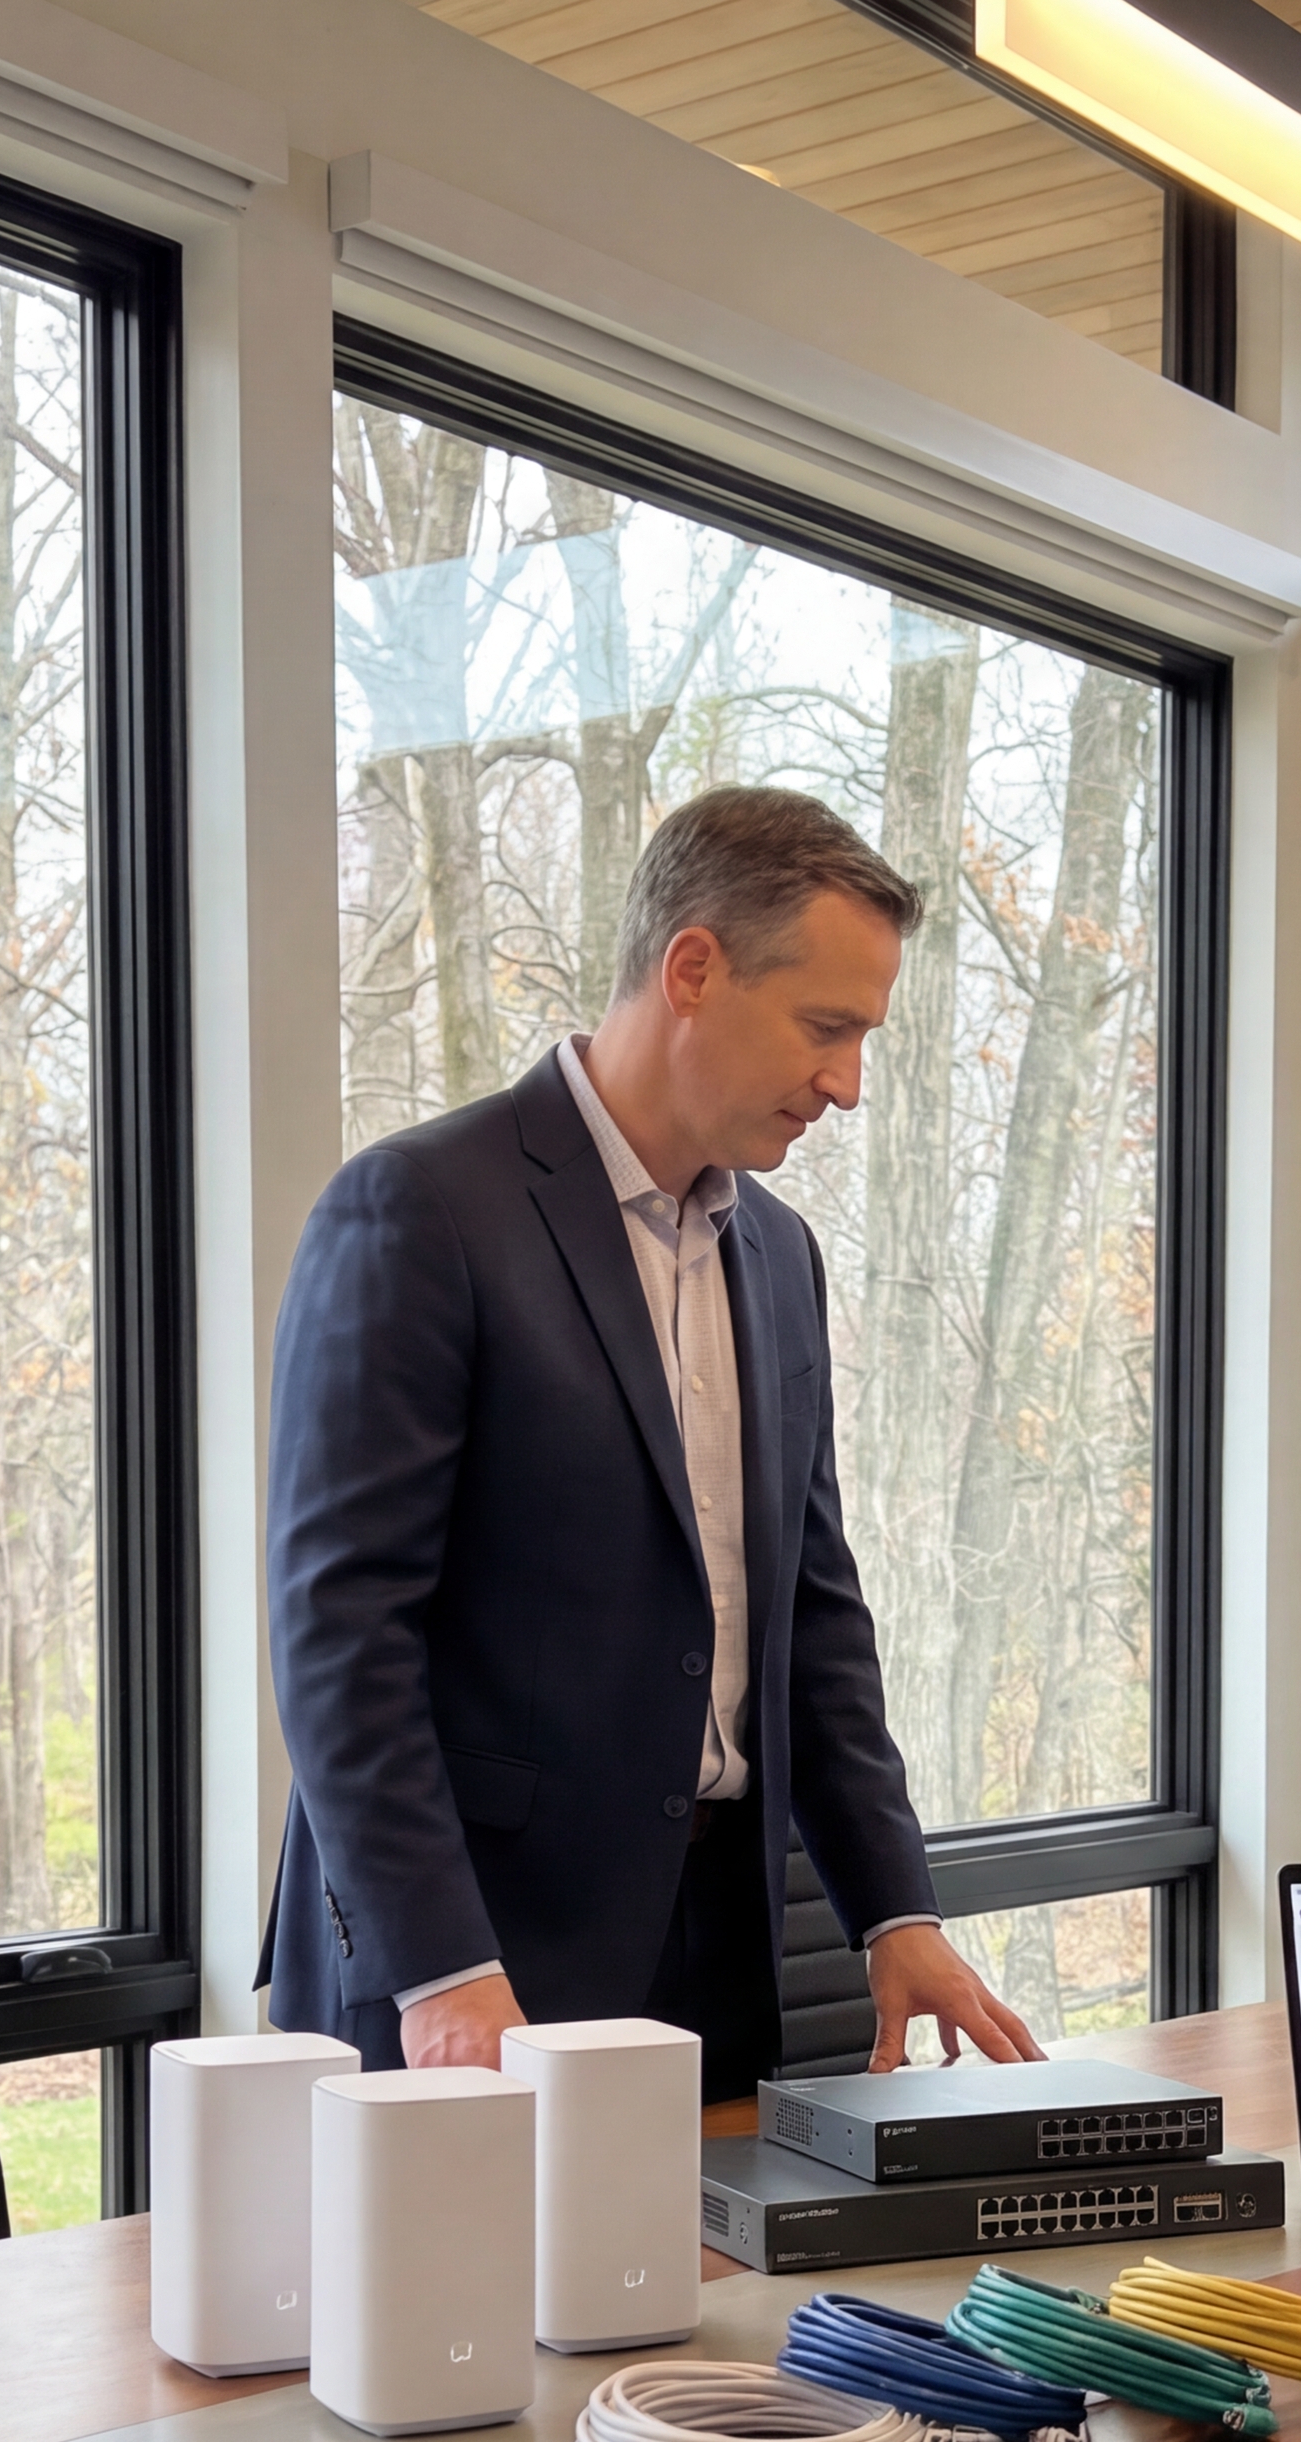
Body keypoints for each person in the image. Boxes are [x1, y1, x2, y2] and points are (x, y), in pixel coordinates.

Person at [264, 785, 1039, 2094]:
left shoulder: (780, 1257)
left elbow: (811, 1614)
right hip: (471, 1977)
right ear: (693, 969)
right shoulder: (419, 1210)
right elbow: (339, 1632)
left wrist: (896, 1912)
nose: (847, 1086)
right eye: (826, 1028)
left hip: (714, 1968)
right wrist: (440, 1969)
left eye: (862, 1041)